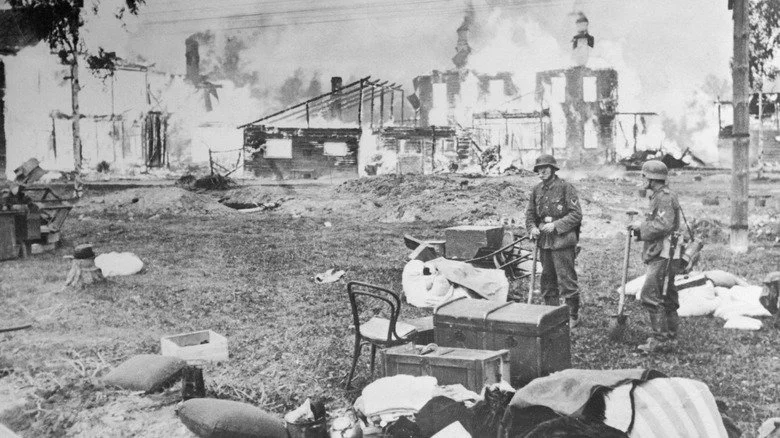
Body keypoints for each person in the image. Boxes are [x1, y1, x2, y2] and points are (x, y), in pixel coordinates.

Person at [628, 160, 685, 353]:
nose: (642, 179)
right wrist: (641, 228)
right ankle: (671, 335)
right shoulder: (659, 196)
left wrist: (640, 227)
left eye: (644, 175)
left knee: (649, 294)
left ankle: (660, 339)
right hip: (666, 251)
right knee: (667, 292)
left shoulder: (664, 198)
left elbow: (664, 225)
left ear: (653, 178)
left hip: (665, 253)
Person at [525, 154, 583, 327]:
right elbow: (530, 214)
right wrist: (532, 228)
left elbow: (576, 214)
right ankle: (551, 312)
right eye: (538, 170)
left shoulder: (566, 188)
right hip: (544, 241)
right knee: (547, 278)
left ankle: (572, 315)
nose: (541, 172)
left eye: (545, 169)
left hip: (563, 240)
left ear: (553, 169)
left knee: (566, 278)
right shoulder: (536, 190)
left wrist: (557, 225)